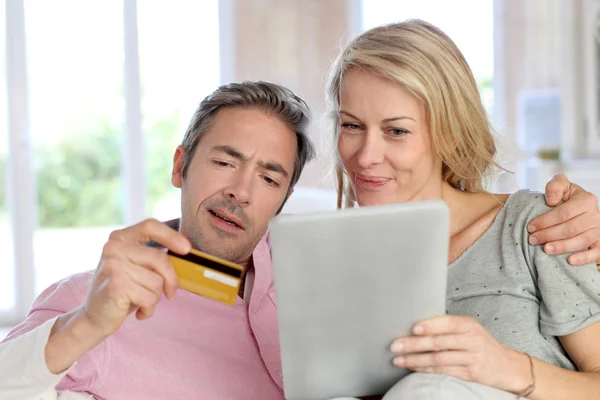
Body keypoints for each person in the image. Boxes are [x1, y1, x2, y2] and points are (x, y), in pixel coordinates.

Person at [0, 84, 598, 400]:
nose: (239, 191)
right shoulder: (90, 301)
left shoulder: (333, 273)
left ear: (284, 200)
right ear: (181, 164)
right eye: (224, 161)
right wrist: (85, 324)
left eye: (269, 177)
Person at [325, 19, 600, 399]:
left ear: (449, 132)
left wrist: (508, 367)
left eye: (397, 131)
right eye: (352, 126)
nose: (366, 157)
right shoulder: (333, 261)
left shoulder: (535, 227)